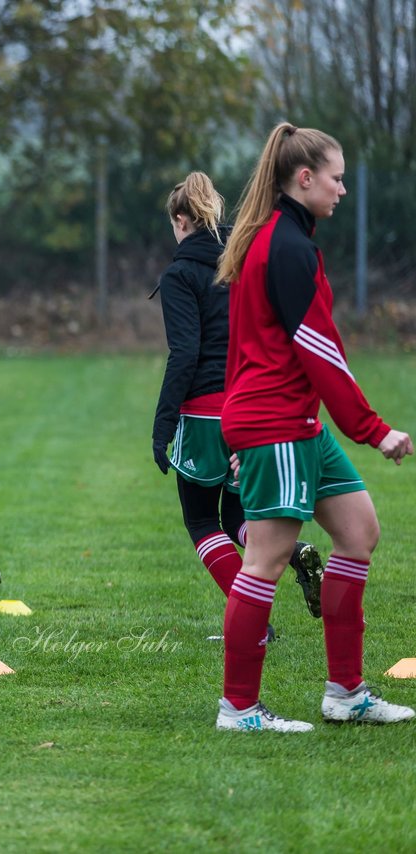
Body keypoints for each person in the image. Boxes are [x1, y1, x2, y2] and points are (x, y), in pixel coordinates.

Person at [212, 122, 414, 732]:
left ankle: (346, 695)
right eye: (337, 177)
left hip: (294, 425)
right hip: (277, 424)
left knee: (358, 531)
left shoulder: (276, 238)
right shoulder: (286, 246)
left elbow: (245, 351)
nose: (343, 190)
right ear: (305, 179)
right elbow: (318, 348)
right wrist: (373, 429)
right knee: (266, 560)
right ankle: (239, 708)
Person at [150, 172, 322, 641]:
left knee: (202, 521)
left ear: (181, 219)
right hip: (250, 407)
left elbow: (184, 354)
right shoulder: (244, 261)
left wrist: (162, 427)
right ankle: (294, 551)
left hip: (205, 412)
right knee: (240, 519)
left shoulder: (181, 274)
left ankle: (256, 627)